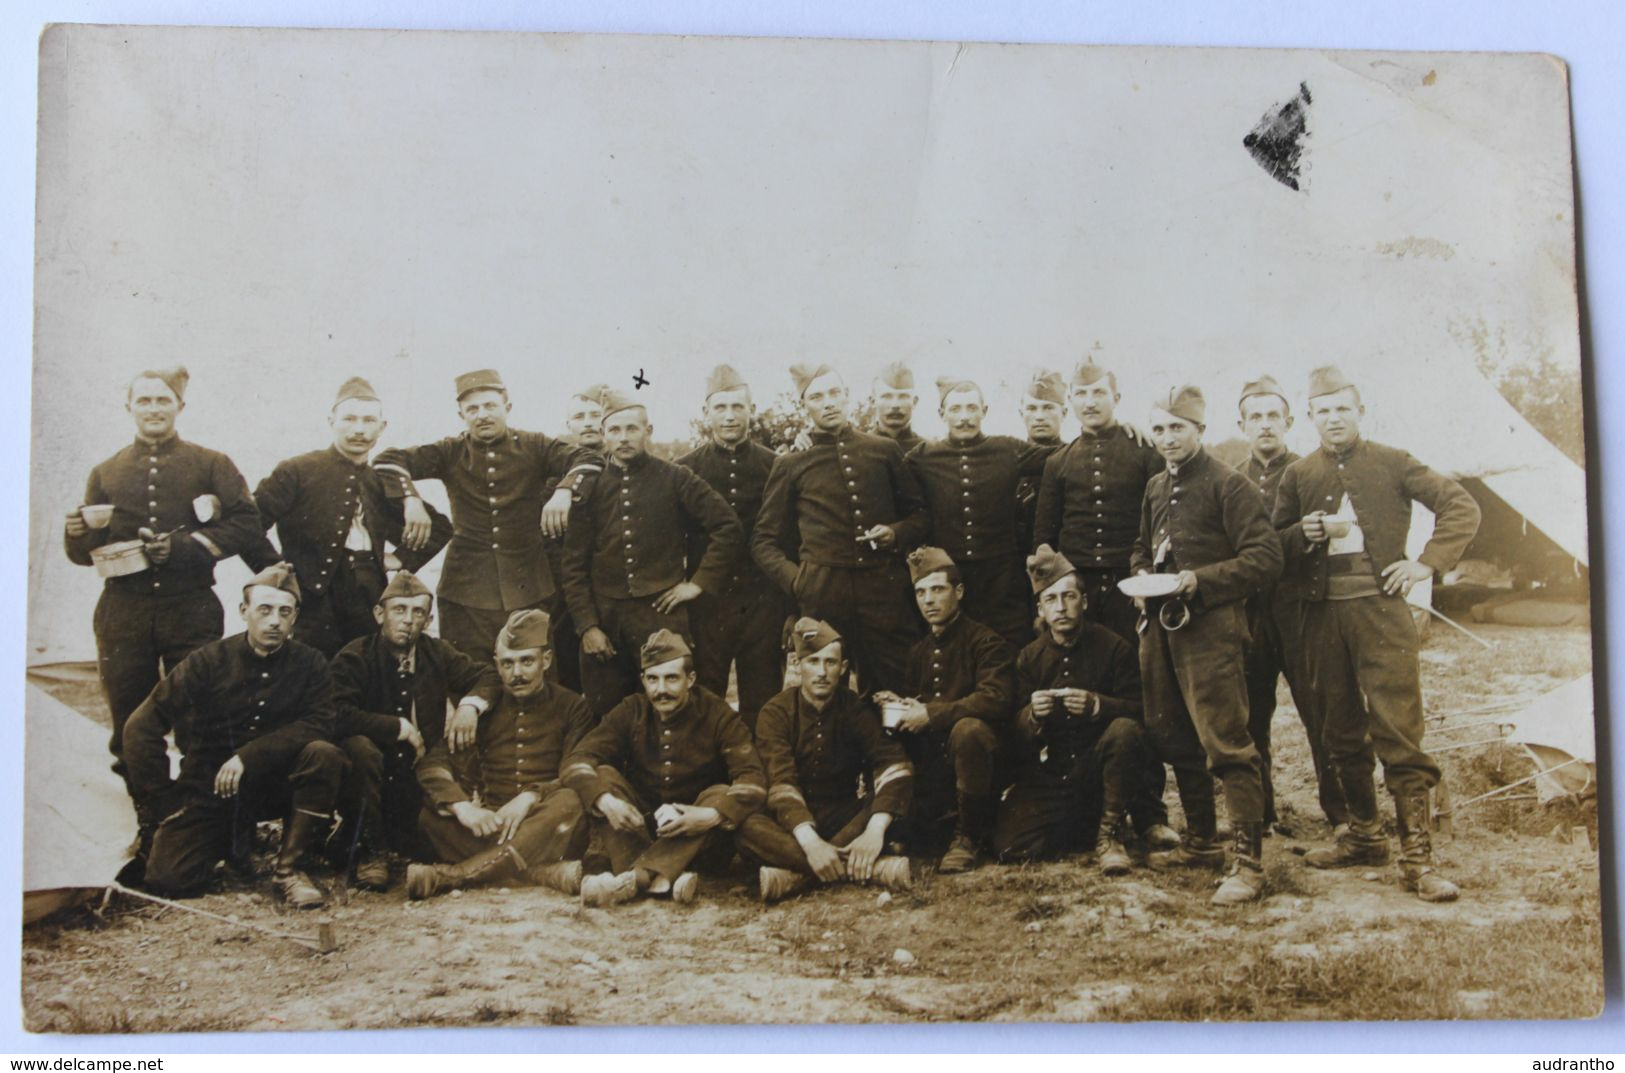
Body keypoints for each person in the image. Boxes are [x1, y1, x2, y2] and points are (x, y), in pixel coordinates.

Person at [1274, 365, 1480, 902]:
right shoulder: (1298, 475)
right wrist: (1302, 533)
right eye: (1323, 410)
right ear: (1311, 417)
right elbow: (1272, 545)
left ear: (1360, 412)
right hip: (1321, 620)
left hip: (1382, 615)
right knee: (1338, 728)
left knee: (1397, 728)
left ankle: (1418, 859)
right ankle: (1364, 837)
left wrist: (1426, 564)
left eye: (1343, 408)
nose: (1334, 418)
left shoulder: (1393, 462)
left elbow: (1461, 506)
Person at [63, 366, 264, 782]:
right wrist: (77, 534)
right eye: (144, 400)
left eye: (162, 400)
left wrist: (183, 548)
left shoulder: (211, 463)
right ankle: (148, 815)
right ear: (129, 408)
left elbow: (247, 524)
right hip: (123, 612)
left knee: (200, 715)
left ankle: (196, 816)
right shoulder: (106, 471)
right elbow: (87, 556)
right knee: (131, 720)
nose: (153, 408)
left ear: (180, 406)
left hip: (190, 607)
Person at [1131, 385, 1283, 906]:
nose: (1168, 438)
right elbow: (1142, 546)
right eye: (1159, 429)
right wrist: (1140, 575)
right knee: (1173, 736)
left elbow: (1265, 558)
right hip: (1161, 630)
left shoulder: (1230, 485)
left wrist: (1200, 581)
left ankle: (1248, 864)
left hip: (1212, 632)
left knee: (1227, 742)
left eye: (1178, 427)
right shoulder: (1154, 486)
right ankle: (1201, 843)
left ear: (1200, 430)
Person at [121, 564, 344, 908]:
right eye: (264, 610)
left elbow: (319, 722)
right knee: (169, 878)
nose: (274, 621)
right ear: (244, 612)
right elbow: (141, 727)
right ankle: (233, 842)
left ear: (295, 617)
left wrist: (249, 756)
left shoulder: (311, 663)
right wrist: (164, 802)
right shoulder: (208, 661)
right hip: (214, 789)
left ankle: (290, 870)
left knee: (322, 753)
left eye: (285, 612)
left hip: (276, 784)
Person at [373, 368, 603, 661]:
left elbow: (588, 458)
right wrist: (411, 500)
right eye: (472, 409)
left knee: (536, 674)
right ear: (461, 416)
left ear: (507, 408)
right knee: (468, 675)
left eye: (490, 406)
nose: (481, 414)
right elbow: (388, 460)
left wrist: (565, 490)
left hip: (530, 588)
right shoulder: (451, 451)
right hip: (464, 593)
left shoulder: (535, 445)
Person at [562, 389, 742, 715]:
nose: (623, 438)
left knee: (672, 710)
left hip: (662, 615)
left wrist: (697, 583)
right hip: (606, 621)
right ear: (603, 434)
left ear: (648, 431)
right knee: (607, 715)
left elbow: (727, 526)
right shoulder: (591, 485)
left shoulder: (675, 477)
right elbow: (573, 564)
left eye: (632, 429)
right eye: (614, 430)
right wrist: (588, 627)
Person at [752, 363, 930, 694]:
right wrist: (798, 581)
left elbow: (920, 516)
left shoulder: (883, 450)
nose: (829, 403)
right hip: (823, 593)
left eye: (835, 393)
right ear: (805, 406)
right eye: (817, 397)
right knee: (825, 691)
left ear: (847, 397)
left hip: (883, 591)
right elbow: (764, 540)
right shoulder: (791, 463)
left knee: (895, 686)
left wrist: (895, 533)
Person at [246, 376, 451, 657]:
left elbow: (440, 528)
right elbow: (247, 525)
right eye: (349, 419)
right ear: (331, 421)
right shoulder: (298, 470)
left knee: (363, 673)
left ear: (382, 427)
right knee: (311, 672)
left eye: (368, 421)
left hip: (369, 597)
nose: (359, 430)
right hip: (313, 599)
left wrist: (401, 556)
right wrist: (278, 574)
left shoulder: (380, 482)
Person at [561, 630, 766, 906]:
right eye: (653, 679)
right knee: (604, 776)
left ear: (690, 679)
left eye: (671, 678)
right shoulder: (632, 710)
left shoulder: (717, 714)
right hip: (640, 830)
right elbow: (577, 760)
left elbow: (752, 778)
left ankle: (634, 879)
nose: (661, 690)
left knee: (719, 791)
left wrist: (710, 815)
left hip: (698, 838)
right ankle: (665, 878)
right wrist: (605, 801)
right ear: (643, 680)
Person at [405, 609, 598, 900]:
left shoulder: (572, 707)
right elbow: (434, 764)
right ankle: (541, 873)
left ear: (545, 661)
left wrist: (531, 796)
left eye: (526, 661)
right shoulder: (484, 711)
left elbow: (575, 770)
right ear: (496, 665)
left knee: (570, 802)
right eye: (507, 664)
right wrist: (463, 808)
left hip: (544, 820)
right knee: (431, 815)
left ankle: (452, 876)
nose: (516, 673)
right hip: (492, 823)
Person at [327, 570, 501, 890]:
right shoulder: (355, 656)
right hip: (370, 776)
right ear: (380, 614)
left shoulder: (436, 652)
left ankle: (363, 839)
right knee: (360, 748)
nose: (408, 620)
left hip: (417, 778)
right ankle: (371, 851)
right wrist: (396, 727)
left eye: (418, 612)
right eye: (399, 610)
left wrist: (469, 706)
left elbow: (487, 676)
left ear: (428, 618)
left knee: (433, 847)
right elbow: (334, 714)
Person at [993, 545, 1158, 873]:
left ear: (1084, 602)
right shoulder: (1029, 657)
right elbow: (1013, 729)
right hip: (1053, 776)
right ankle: (1086, 827)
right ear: (1040, 610)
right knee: (1009, 846)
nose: (1061, 607)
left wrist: (1098, 706)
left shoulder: (1114, 648)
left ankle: (1109, 835)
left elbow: (1142, 712)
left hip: (1101, 772)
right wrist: (1032, 716)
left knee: (1124, 731)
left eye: (1069, 597)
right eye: (1051, 600)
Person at [1235, 375, 1347, 832]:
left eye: (1273, 416)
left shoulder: (1312, 471)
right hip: (1249, 614)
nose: (1265, 426)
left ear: (1290, 421)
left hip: (1301, 608)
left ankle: (1340, 813)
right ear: (1241, 424)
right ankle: (1259, 815)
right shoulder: (1231, 480)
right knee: (1251, 716)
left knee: (1320, 711)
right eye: (1255, 417)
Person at [739, 618, 915, 901]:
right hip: (792, 822)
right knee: (746, 824)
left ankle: (797, 875)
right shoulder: (775, 712)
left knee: (893, 800)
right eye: (813, 661)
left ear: (843, 668)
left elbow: (892, 763)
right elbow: (781, 782)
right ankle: (865, 868)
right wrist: (811, 844)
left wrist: (873, 831)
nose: (822, 672)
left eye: (830, 663)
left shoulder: (855, 709)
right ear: (797, 664)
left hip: (843, 817)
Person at [874, 546, 1014, 873]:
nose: (928, 600)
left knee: (969, 730)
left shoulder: (985, 642)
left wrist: (932, 714)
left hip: (983, 763)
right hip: (938, 769)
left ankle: (968, 837)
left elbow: (996, 698)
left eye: (938, 589)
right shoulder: (919, 652)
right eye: (921, 592)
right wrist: (902, 706)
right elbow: (922, 705)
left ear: (959, 591)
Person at [676, 365, 794, 730]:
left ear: (751, 410)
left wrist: (791, 608)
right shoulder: (685, 469)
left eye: (738, 407)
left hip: (763, 604)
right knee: (706, 700)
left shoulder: (776, 466)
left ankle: (760, 777)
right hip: (708, 606)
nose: (729, 416)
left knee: (763, 702)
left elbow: (790, 540)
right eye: (720, 407)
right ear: (706, 413)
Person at [904, 376, 1049, 650]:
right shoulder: (922, 456)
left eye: (972, 408)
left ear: (985, 411)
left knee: (1009, 647)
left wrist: (1117, 430)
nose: (964, 418)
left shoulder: (1008, 449)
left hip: (1002, 579)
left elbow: (1063, 456)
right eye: (955, 409)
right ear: (941, 414)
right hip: (952, 578)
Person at [1031, 357, 1163, 642]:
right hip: (1079, 591)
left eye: (1099, 393)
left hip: (1131, 585)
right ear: (1070, 400)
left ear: (1116, 398)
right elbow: (1044, 536)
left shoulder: (1145, 453)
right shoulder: (1058, 462)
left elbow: (1159, 524)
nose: (1089, 402)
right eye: (1081, 393)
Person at [541, 384, 610, 691]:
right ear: (568, 425)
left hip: (616, 590)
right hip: (566, 594)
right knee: (568, 675)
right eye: (579, 417)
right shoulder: (552, 481)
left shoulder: (625, 469)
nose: (588, 422)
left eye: (595, 415)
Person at [1014, 370, 1070, 557]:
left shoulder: (1075, 457)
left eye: (1048, 407)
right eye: (1031, 408)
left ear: (1064, 413)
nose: (1039, 416)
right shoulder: (1010, 458)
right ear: (1021, 413)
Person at [869, 360, 924, 453]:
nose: (895, 405)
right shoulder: (859, 449)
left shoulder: (928, 451)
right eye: (886, 397)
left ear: (914, 402)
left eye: (903, 397)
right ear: (873, 402)